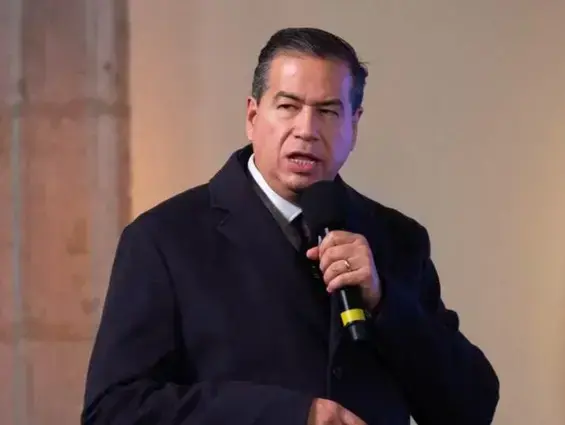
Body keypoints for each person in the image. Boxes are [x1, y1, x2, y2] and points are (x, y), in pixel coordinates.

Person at [81, 27, 499, 425]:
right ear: (252, 115)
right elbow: (114, 410)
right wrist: (291, 415)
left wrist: (385, 302)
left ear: (354, 125)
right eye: (288, 107)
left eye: (328, 111)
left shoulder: (397, 238)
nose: (307, 130)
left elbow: (470, 409)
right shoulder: (164, 239)